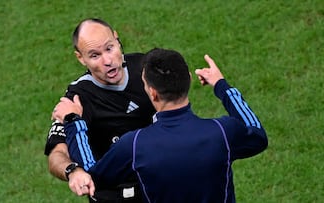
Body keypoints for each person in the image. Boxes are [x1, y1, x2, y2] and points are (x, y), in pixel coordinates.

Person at [53, 48, 268, 202]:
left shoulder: (135, 145)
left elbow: (91, 173)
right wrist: (221, 86)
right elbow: (257, 134)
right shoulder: (222, 132)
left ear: (152, 93)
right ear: (190, 81)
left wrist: (73, 121)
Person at [44, 18, 156, 202]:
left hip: (158, 183)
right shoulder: (77, 98)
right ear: (81, 58)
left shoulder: (145, 68)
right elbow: (57, 154)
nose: (108, 60)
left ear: (117, 39)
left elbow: (178, 90)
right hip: (114, 195)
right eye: (95, 55)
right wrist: (73, 171)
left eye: (109, 48)